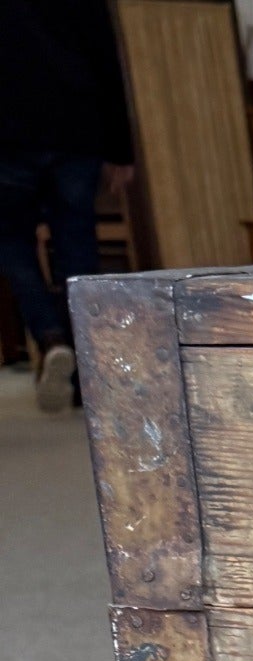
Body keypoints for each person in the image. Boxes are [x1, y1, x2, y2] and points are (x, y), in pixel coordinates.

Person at [0, 0, 133, 412]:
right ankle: (87, 377)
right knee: (78, 247)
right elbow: (107, 62)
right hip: (77, 127)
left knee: (10, 240)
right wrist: (121, 150)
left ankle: (51, 335)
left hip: (8, 132)